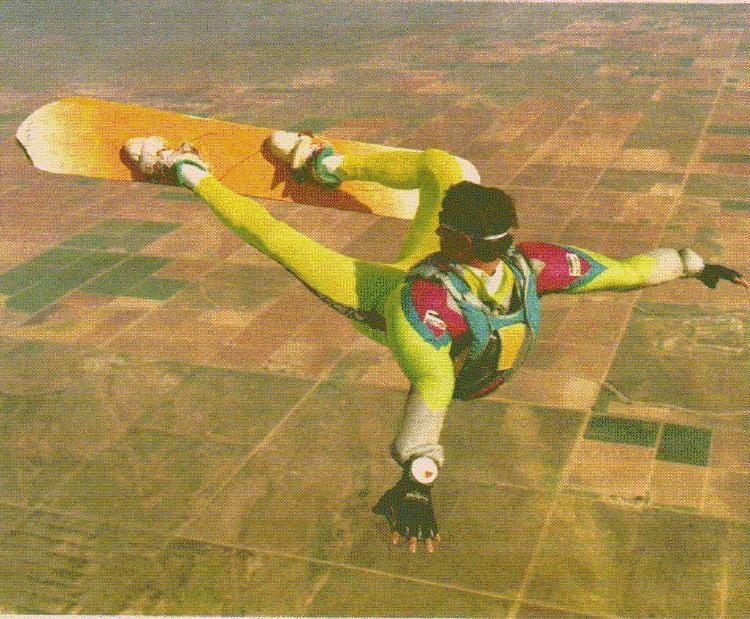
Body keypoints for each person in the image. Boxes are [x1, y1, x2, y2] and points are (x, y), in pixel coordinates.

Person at [124, 133, 748, 554]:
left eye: (446, 223)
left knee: (278, 239)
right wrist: (693, 263)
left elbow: (433, 384)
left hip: (394, 308)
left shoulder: (420, 305)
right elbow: (626, 272)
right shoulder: (534, 263)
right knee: (451, 169)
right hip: (459, 304)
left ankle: (182, 168)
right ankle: (322, 164)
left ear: (456, 239)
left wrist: (419, 476)